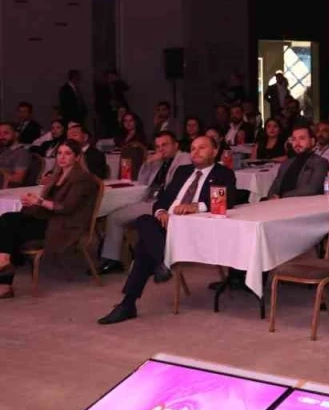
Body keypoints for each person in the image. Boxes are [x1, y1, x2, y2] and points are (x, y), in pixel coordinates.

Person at [97, 136, 239, 324]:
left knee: (144, 247)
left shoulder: (223, 173)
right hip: (167, 226)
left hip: (192, 230)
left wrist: (197, 206)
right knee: (145, 220)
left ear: (214, 151)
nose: (196, 152)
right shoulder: (182, 171)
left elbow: (229, 200)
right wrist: (162, 212)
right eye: (193, 148)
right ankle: (158, 266)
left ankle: (131, 300)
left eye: (202, 148)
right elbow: (163, 199)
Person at [0, 140, 99, 299]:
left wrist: (39, 201)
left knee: (10, 228)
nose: (62, 157)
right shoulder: (57, 175)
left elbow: (66, 207)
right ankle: (3, 263)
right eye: (59, 153)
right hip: (50, 219)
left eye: (67, 153)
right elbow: (48, 204)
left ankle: (4, 282)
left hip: (66, 226)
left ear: (77, 157)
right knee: (7, 218)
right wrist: (31, 202)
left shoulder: (82, 178)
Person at [98, 131, 190, 275]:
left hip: (165, 204)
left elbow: (175, 187)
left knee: (115, 217)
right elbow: (143, 182)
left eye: (165, 145)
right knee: (115, 212)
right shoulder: (160, 161)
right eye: (158, 146)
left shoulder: (184, 159)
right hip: (149, 200)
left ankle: (113, 259)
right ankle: (115, 257)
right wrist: (148, 163)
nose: (161, 149)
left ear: (175, 145)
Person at [265, 125, 328, 199]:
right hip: (278, 203)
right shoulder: (286, 163)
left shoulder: (320, 163)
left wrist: (282, 197)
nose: (297, 143)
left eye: (302, 138)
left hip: (304, 204)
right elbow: (273, 189)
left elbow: (312, 190)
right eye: (294, 139)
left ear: (312, 141)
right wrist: (272, 197)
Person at [0, 122, 36, 187]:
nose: (1, 137)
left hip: (9, 189)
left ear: (16, 134)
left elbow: (18, 180)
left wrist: (1, 173)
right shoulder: (4, 151)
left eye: (6, 133)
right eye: (0, 134)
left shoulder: (22, 153)